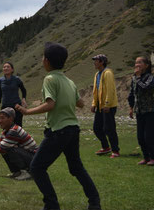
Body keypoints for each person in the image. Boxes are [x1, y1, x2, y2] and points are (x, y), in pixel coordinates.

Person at [15, 42, 101, 210]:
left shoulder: (50, 79)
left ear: (46, 61)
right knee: (76, 168)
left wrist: (27, 111)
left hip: (58, 131)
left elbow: (50, 104)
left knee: (37, 167)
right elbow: (81, 103)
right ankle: (94, 202)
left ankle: (51, 205)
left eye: (43, 57)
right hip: (73, 129)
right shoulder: (69, 81)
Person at [128, 56, 154, 166]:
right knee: (140, 137)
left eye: (140, 62)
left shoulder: (150, 77)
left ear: (146, 65)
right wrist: (131, 107)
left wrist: (138, 78)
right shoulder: (134, 78)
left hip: (149, 111)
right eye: (136, 62)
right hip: (139, 111)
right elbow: (131, 94)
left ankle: (153, 158)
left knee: (148, 137)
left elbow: (145, 88)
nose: (137, 64)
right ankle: (146, 157)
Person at [0, 107, 37, 180]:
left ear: (11, 119)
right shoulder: (5, 131)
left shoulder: (14, 130)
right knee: (6, 148)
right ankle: (17, 172)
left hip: (33, 159)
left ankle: (27, 172)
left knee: (9, 149)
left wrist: (0, 147)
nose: (0, 121)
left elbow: (1, 147)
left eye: (2, 118)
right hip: (29, 157)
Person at [90, 54, 120, 158]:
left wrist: (107, 104)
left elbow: (110, 90)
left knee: (109, 128)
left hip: (108, 106)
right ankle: (106, 147)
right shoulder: (97, 74)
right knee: (97, 128)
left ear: (102, 62)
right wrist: (94, 104)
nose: (94, 63)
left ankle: (115, 150)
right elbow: (96, 91)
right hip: (100, 106)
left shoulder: (108, 73)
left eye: (96, 61)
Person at [0, 62, 27, 126]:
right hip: (5, 106)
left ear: (12, 70)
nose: (5, 68)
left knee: (18, 126)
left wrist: (23, 99)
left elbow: (23, 90)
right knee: (5, 126)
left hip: (16, 106)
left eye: (8, 67)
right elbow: (0, 92)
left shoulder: (17, 79)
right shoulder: (0, 80)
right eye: (4, 67)